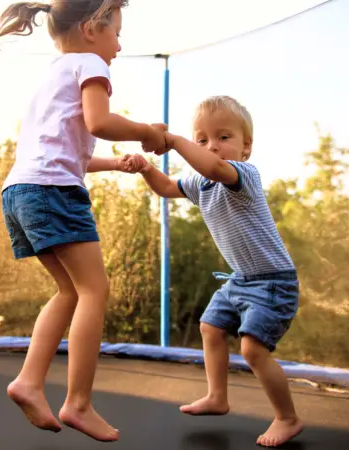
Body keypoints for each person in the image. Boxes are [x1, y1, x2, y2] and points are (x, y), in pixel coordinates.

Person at [0, 0, 167, 443]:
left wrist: (116, 164)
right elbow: (100, 120)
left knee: (70, 290)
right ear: (92, 28)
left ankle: (29, 382)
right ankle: (78, 402)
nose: (120, 45)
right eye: (116, 33)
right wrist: (147, 131)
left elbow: (75, 155)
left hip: (20, 192)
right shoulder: (91, 62)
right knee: (95, 290)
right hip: (52, 192)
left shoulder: (52, 74)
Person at [127, 95, 304, 447]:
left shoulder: (243, 175)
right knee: (210, 327)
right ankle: (217, 397)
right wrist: (148, 169)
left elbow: (212, 167)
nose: (212, 147)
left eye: (223, 138)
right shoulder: (199, 184)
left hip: (272, 282)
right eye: (203, 139)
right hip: (239, 280)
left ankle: (288, 418)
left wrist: (177, 141)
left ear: (246, 147)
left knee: (253, 350)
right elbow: (166, 187)